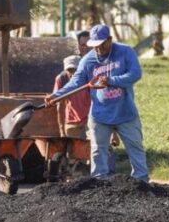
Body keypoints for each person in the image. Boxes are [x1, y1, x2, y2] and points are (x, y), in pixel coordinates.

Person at [47, 24, 149, 181]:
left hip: (125, 112)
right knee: (97, 150)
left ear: (109, 40)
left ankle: (141, 181)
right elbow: (75, 83)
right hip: (100, 115)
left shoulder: (125, 52)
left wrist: (111, 80)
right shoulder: (88, 60)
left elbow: (135, 74)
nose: (97, 49)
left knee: (135, 147)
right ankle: (99, 182)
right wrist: (56, 96)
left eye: (101, 45)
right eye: (94, 46)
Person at [54, 55, 91, 139]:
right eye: (70, 70)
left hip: (89, 120)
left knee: (94, 147)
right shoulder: (61, 79)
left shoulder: (88, 77)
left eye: (75, 70)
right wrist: (62, 130)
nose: (73, 73)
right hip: (71, 121)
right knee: (72, 149)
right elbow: (59, 105)